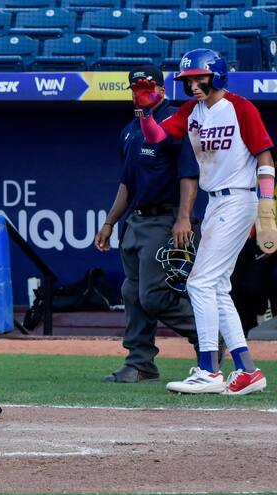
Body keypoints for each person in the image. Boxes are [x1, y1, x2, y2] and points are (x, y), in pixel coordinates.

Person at [136, 48, 274, 395]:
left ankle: (210, 369)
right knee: (217, 287)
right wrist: (145, 111)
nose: (194, 84)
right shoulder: (190, 111)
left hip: (240, 196)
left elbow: (265, 155)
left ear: (217, 75)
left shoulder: (240, 107)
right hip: (215, 202)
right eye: (188, 79)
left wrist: (268, 206)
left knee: (199, 283)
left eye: (200, 77)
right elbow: (157, 137)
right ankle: (247, 371)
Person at [94, 66, 201, 384]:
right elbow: (127, 183)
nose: (137, 92)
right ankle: (140, 363)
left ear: (162, 89)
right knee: (131, 292)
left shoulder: (175, 123)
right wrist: (109, 222)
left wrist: (183, 218)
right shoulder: (130, 130)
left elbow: (188, 174)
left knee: (153, 295)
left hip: (165, 219)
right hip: (137, 221)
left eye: (145, 86)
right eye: (134, 87)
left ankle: (209, 339)